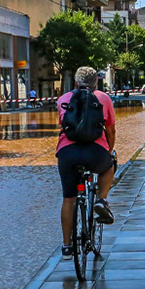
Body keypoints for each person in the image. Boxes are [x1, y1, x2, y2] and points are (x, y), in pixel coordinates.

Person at [56, 66, 116, 258]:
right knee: (109, 166)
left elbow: (64, 126)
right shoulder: (104, 98)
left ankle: (67, 247)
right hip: (95, 152)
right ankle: (101, 200)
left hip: (67, 153)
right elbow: (110, 130)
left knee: (68, 199)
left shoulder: (63, 99)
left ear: (75, 82)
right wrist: (108, 151)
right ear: (96, 82)